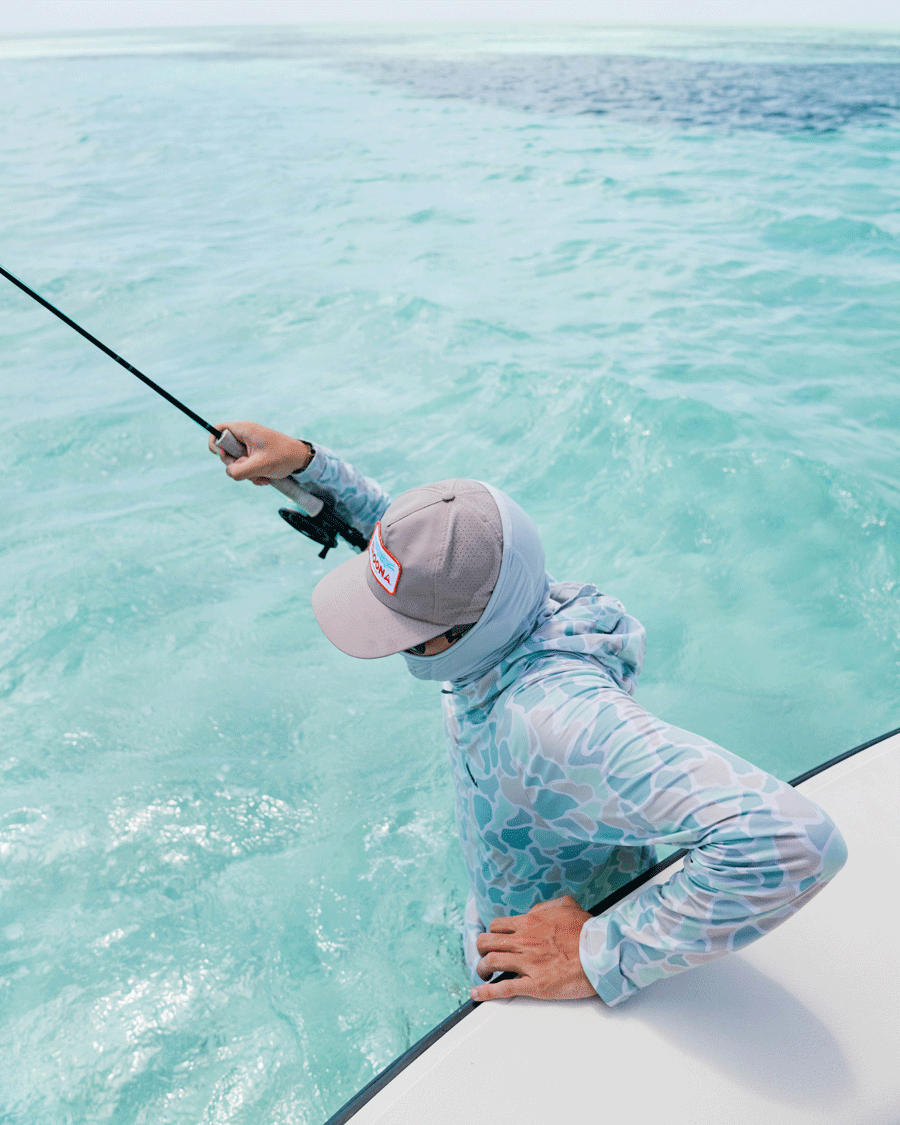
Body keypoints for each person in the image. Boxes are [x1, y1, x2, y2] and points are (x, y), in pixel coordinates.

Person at [209, 421, 848, 1007]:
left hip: (548, 977)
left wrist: (600, 952)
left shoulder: (550, 718)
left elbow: (794, 840)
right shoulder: (515, 594)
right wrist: (307, 467)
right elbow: (427, 566)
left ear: (475, 629)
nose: (398, 640)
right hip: (509, 915)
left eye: (411, 630)